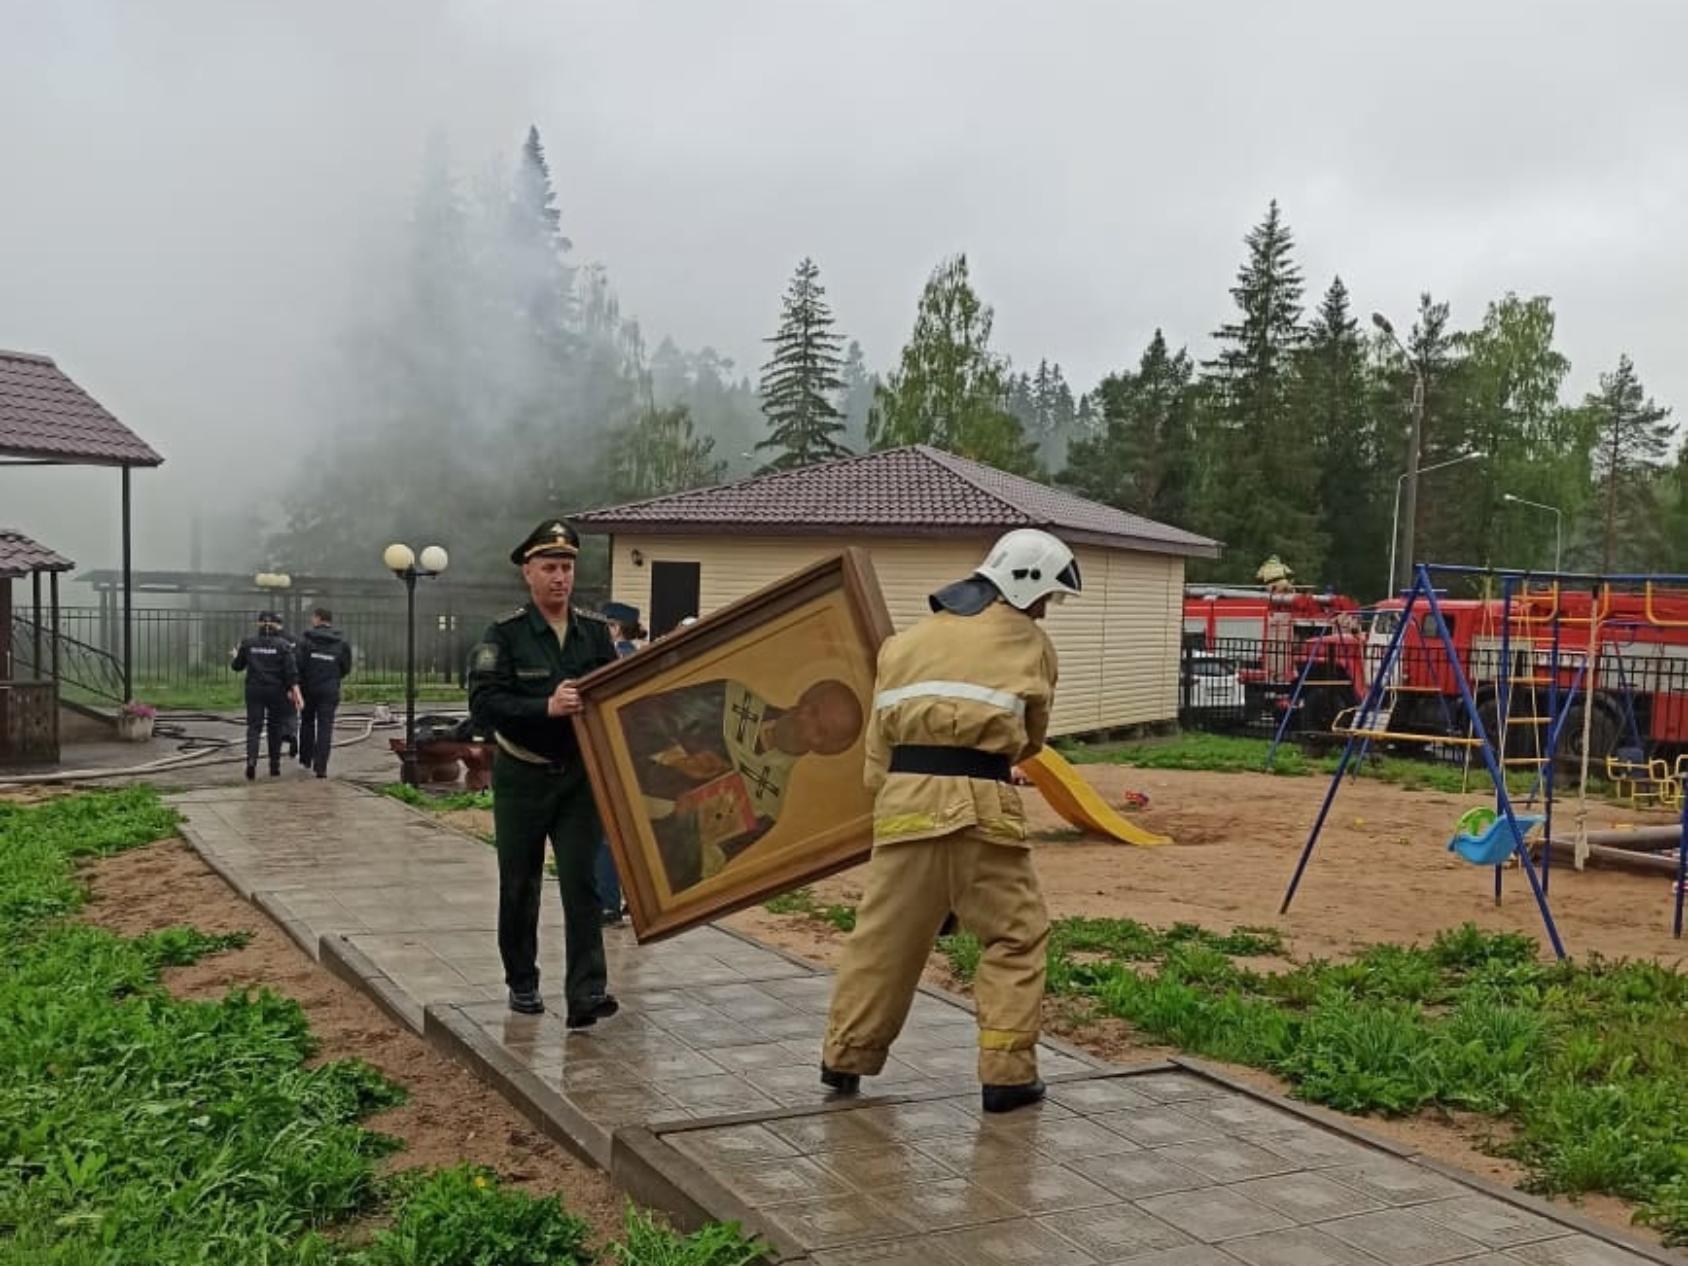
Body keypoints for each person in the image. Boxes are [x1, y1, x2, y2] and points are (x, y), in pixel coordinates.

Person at [820, 528, 1080, 1115]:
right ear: (1027, 580)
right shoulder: (1030, 644)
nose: (1044, 610)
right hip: (983, 807)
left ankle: (844, 1057)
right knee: (1016, 935)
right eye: (1046, 597)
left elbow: (875, 755)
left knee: (883, 941)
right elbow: (1030, 740)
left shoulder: (902, 645)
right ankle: (1007, 1075)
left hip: (903, 801)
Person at [466, 519, 620, 1024]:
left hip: (578, 777)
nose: (561, 577)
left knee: (582, 882)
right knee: (520, 884)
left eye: (568, 567)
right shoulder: (504, 634)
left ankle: (587, 993)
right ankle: (522, 981)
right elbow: (485, 705)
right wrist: (545, 707)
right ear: (527, 573)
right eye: (550, 567)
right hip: (522, 776)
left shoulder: (595, 633)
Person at [620, 677, 863, 893]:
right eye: (811, 709)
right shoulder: (730, 699)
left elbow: (695, 872)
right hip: (611, 780)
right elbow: (640, 714)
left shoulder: (765, 805)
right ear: (803, 698)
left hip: (628, 845)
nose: (803, 722)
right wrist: (675, 759)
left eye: (819, 731)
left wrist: (686, 823)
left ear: (823, 750)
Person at [593, 601, 646, 924]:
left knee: (606, 835)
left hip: (612, 756)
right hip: (639, 757)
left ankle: (608, 903)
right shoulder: (641, 659)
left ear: (614, 628)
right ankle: (636, 901)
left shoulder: (610, 660)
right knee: (632, 834)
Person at [232, 611, 303, 780]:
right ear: (275, 625)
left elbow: (237, 666)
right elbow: (291, 672)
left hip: (254, 690)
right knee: (275, 727)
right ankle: (274, 766)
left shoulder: (248, 643)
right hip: (276, 691)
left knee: (254, 727)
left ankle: (251, 761)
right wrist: (295, 691)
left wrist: (236, 656)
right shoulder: (283, 645)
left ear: (258, 624)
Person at [295, 606, 352, 778]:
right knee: (325, 727)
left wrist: (300, 683)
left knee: (307, 722)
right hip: (329, 690)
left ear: (318, 619)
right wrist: (333, 677)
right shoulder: (341, 644)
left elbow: (298, 665)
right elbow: (345, 668)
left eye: (313, 618)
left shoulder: (305, 642)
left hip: (308, 689)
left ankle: (305, 758)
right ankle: (321, 767)